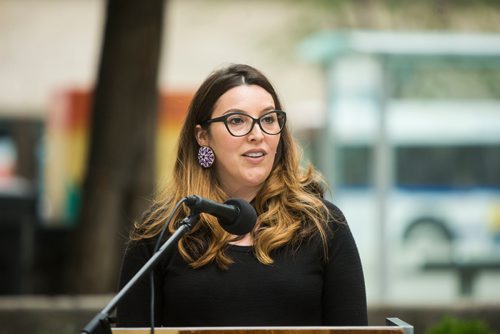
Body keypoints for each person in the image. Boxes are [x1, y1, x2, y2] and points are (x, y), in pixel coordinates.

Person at [116, 64, 367, 327]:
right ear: (203, 136)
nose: (257, 135)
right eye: (237, 120)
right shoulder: (161, 231)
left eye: (268, 119)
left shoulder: (323, 224)